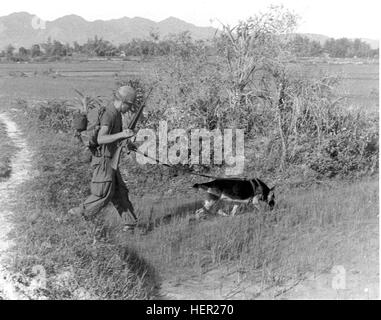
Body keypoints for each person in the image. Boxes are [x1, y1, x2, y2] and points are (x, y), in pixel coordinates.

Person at [69, 85, 138, 231]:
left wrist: (128, 143)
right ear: (124, 102)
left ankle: (130, 225)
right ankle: (74, 218)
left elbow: (114, 139)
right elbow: (101, 139)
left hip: (110, 160)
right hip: (103, 161)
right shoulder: (110, 114)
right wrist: (122, 135)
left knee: (120, 192)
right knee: (102, 194)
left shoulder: (117, 113)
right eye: (130, 106)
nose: (130, 109)